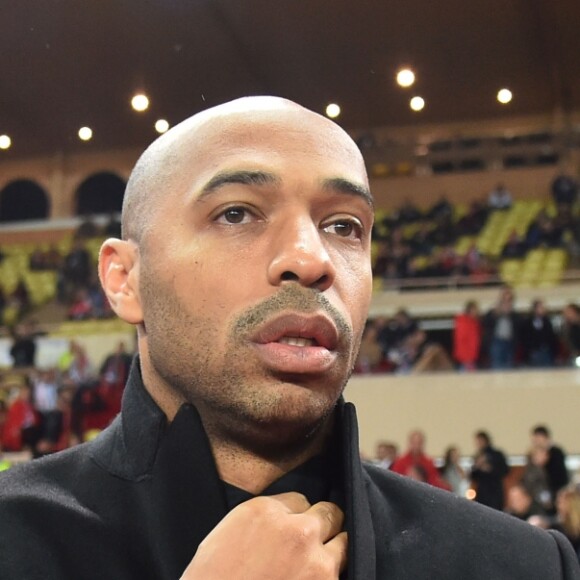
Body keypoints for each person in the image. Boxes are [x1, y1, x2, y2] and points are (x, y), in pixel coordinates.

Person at [0, 97, 578, 579]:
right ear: (125, 280)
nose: (311, 258)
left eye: (343, 226)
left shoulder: (522, 565)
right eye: (236, 214)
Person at [471, 430, 509, 510]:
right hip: (482, 492)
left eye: (480, 441)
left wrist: (489, 468)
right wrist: (477, 466)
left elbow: (505, 471)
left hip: (494, 491)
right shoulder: (477, 457)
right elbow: (473, 476)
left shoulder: (497, 455)